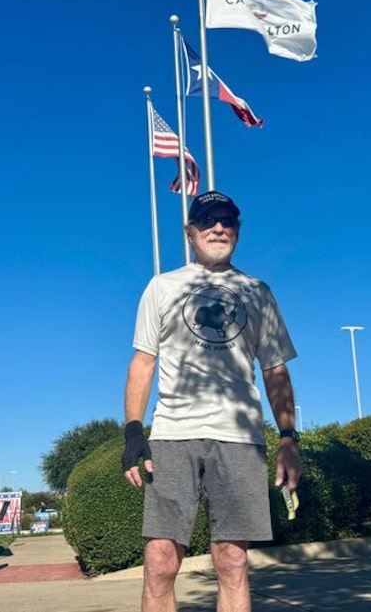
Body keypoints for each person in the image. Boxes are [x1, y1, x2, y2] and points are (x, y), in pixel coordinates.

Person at [122, 190, 303, 612]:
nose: (218, 228)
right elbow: (143, 361)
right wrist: (134, 431)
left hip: (238, 438)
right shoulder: (163, 286)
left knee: (233, 561)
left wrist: (289, 438)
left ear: (238, 231)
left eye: (227, 221)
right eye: (207, 221)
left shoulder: (257, 292)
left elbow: (275, 370)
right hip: (172, 436)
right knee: (160, 562)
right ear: (190, 233)